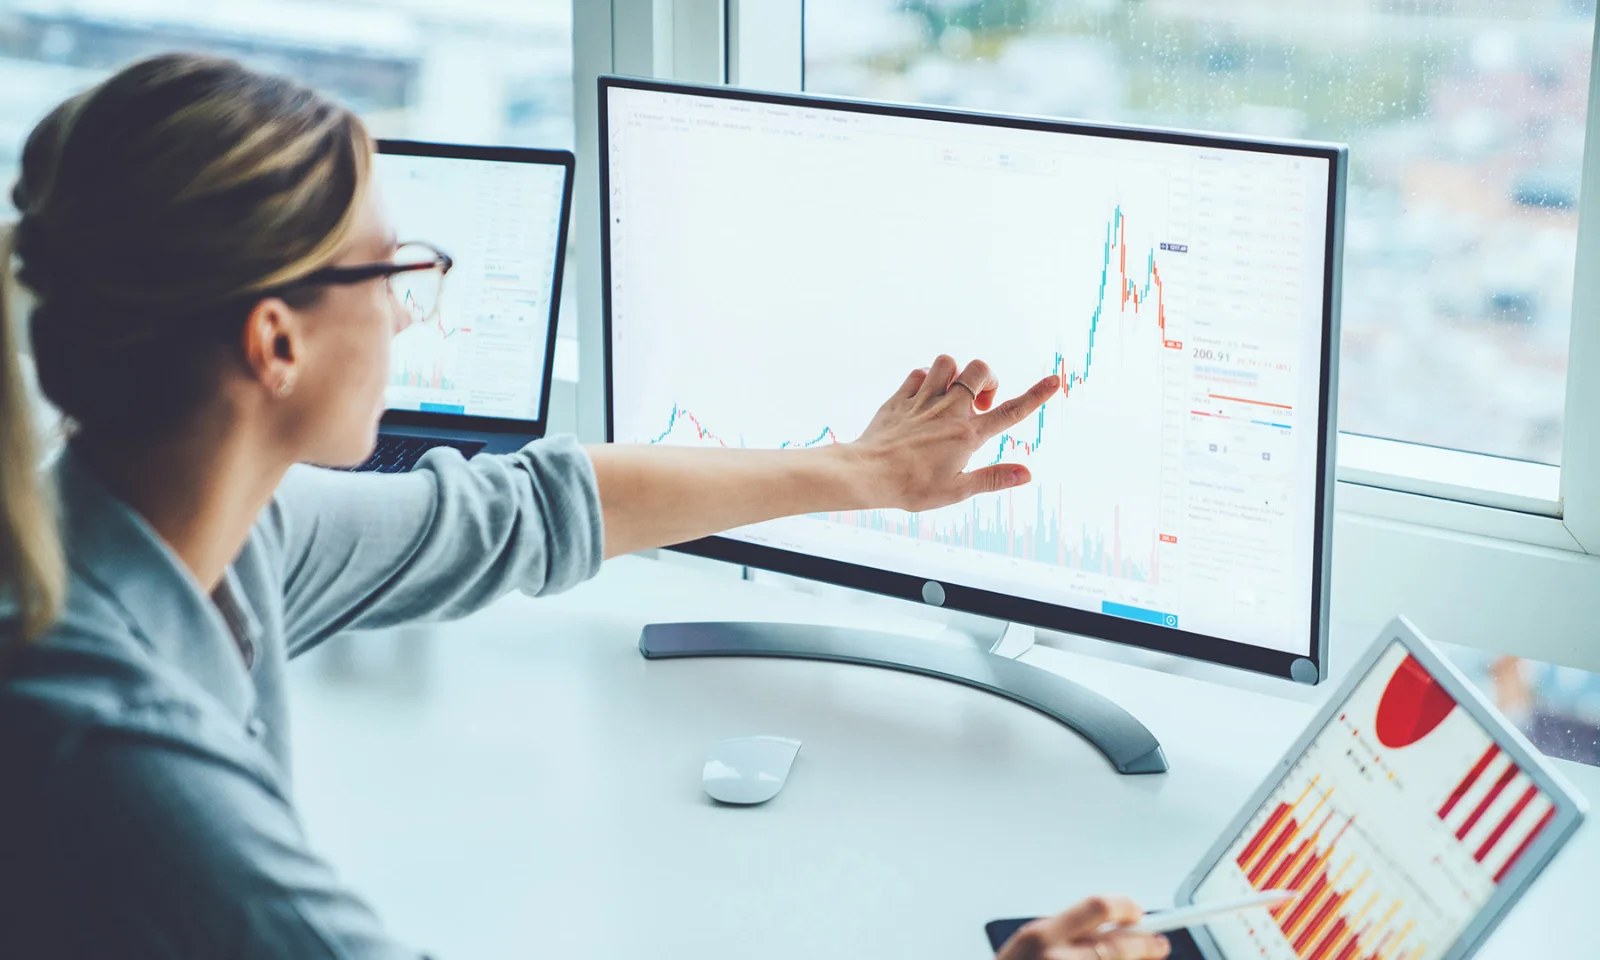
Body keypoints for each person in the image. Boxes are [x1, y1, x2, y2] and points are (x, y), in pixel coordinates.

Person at [0, 54, 1171, 960]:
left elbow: (529, 511)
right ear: (276, 343)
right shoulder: (112, 751)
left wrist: (866, 474)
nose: (414, 310)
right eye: (393, 269)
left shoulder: (169, 529)